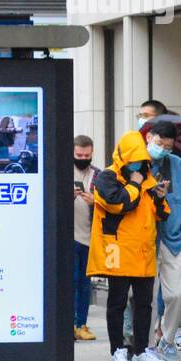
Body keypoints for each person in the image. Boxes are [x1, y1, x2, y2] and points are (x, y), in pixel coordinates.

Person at [88, 131, 172, 361]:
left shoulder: (148, 179)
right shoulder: (107, 177)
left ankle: (142, 350)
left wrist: (159, 197)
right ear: (123, 157)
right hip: (117, 250)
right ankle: (118, 351)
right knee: (117, 302)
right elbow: (119, 203)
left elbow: (162, 215)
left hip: (144, 251)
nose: (138, 164)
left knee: (144, 303)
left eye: (141, 159)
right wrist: (135, 184)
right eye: (133, 159)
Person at [145, 120, 181, 360]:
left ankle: (168, 339)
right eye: (159, 143)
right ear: (149, 138)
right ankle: (146, 345)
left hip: (174, 236)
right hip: (144, 238)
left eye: (167, 146)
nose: (162, 149)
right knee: (145, 295)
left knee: (176, 293)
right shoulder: (137, 163)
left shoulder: (178, 165)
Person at [73, 135, 99, 341]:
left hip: (90, 238)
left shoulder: (98, 175)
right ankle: (71, 323)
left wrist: (95, 202)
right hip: (70, 237)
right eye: (79, 155)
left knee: (85, 283)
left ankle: (81, 323)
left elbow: (108, 203)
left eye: (87, 155)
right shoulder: (63, 171)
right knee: (71, 281)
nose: (83, 158)